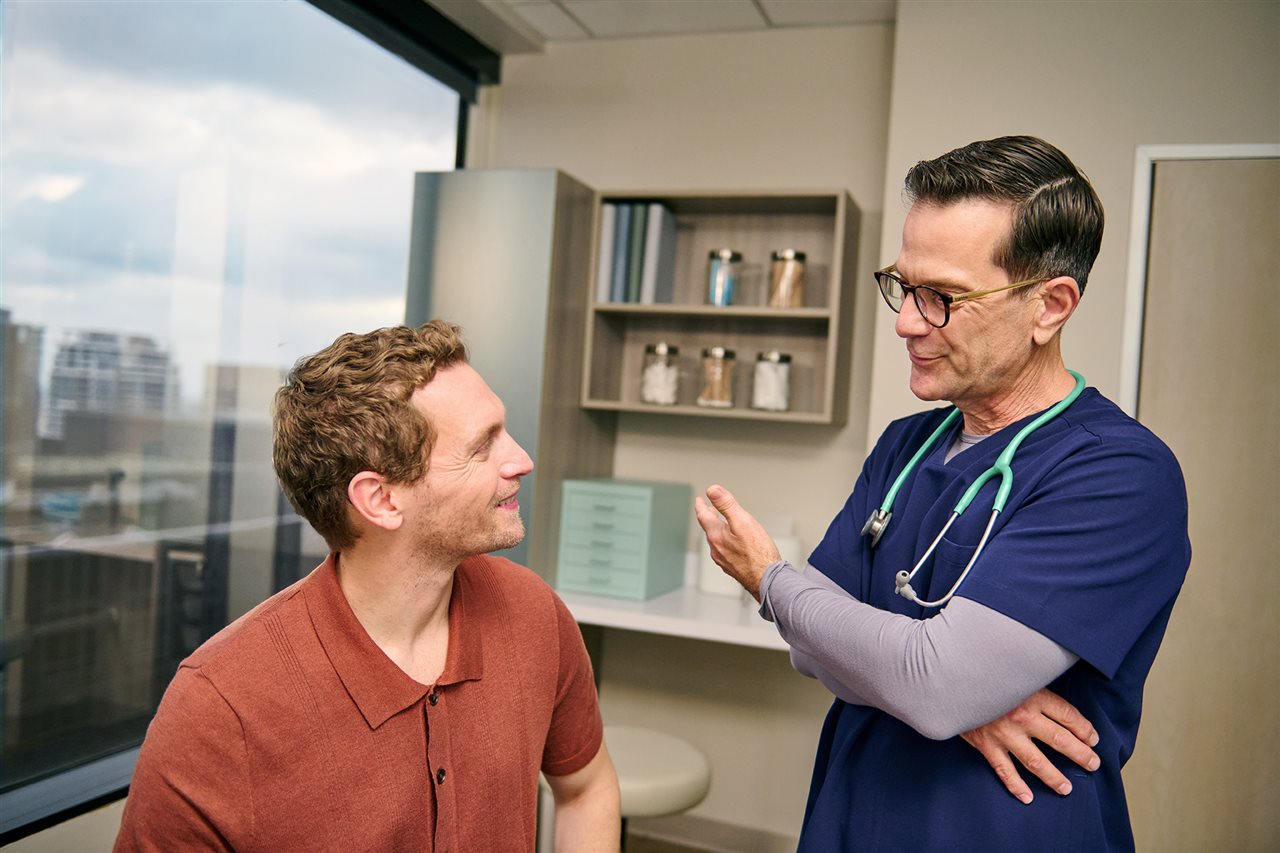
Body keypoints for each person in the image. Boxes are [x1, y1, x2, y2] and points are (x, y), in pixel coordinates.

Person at [695, 136, 1190, 850]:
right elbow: (816, 651)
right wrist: (955, 697)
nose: (906, 321)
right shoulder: (906, 443)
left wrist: (769, 579)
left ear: (1050, 306)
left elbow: (930, 683)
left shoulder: (1120, 475)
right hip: (853, 815)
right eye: (902, 285)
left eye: (943, 298)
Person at [116, 321, 620, 852]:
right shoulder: (218, 711)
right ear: (380, 500)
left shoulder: (533, 613)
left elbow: (586, 789)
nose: (521, 460)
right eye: (482, 447)